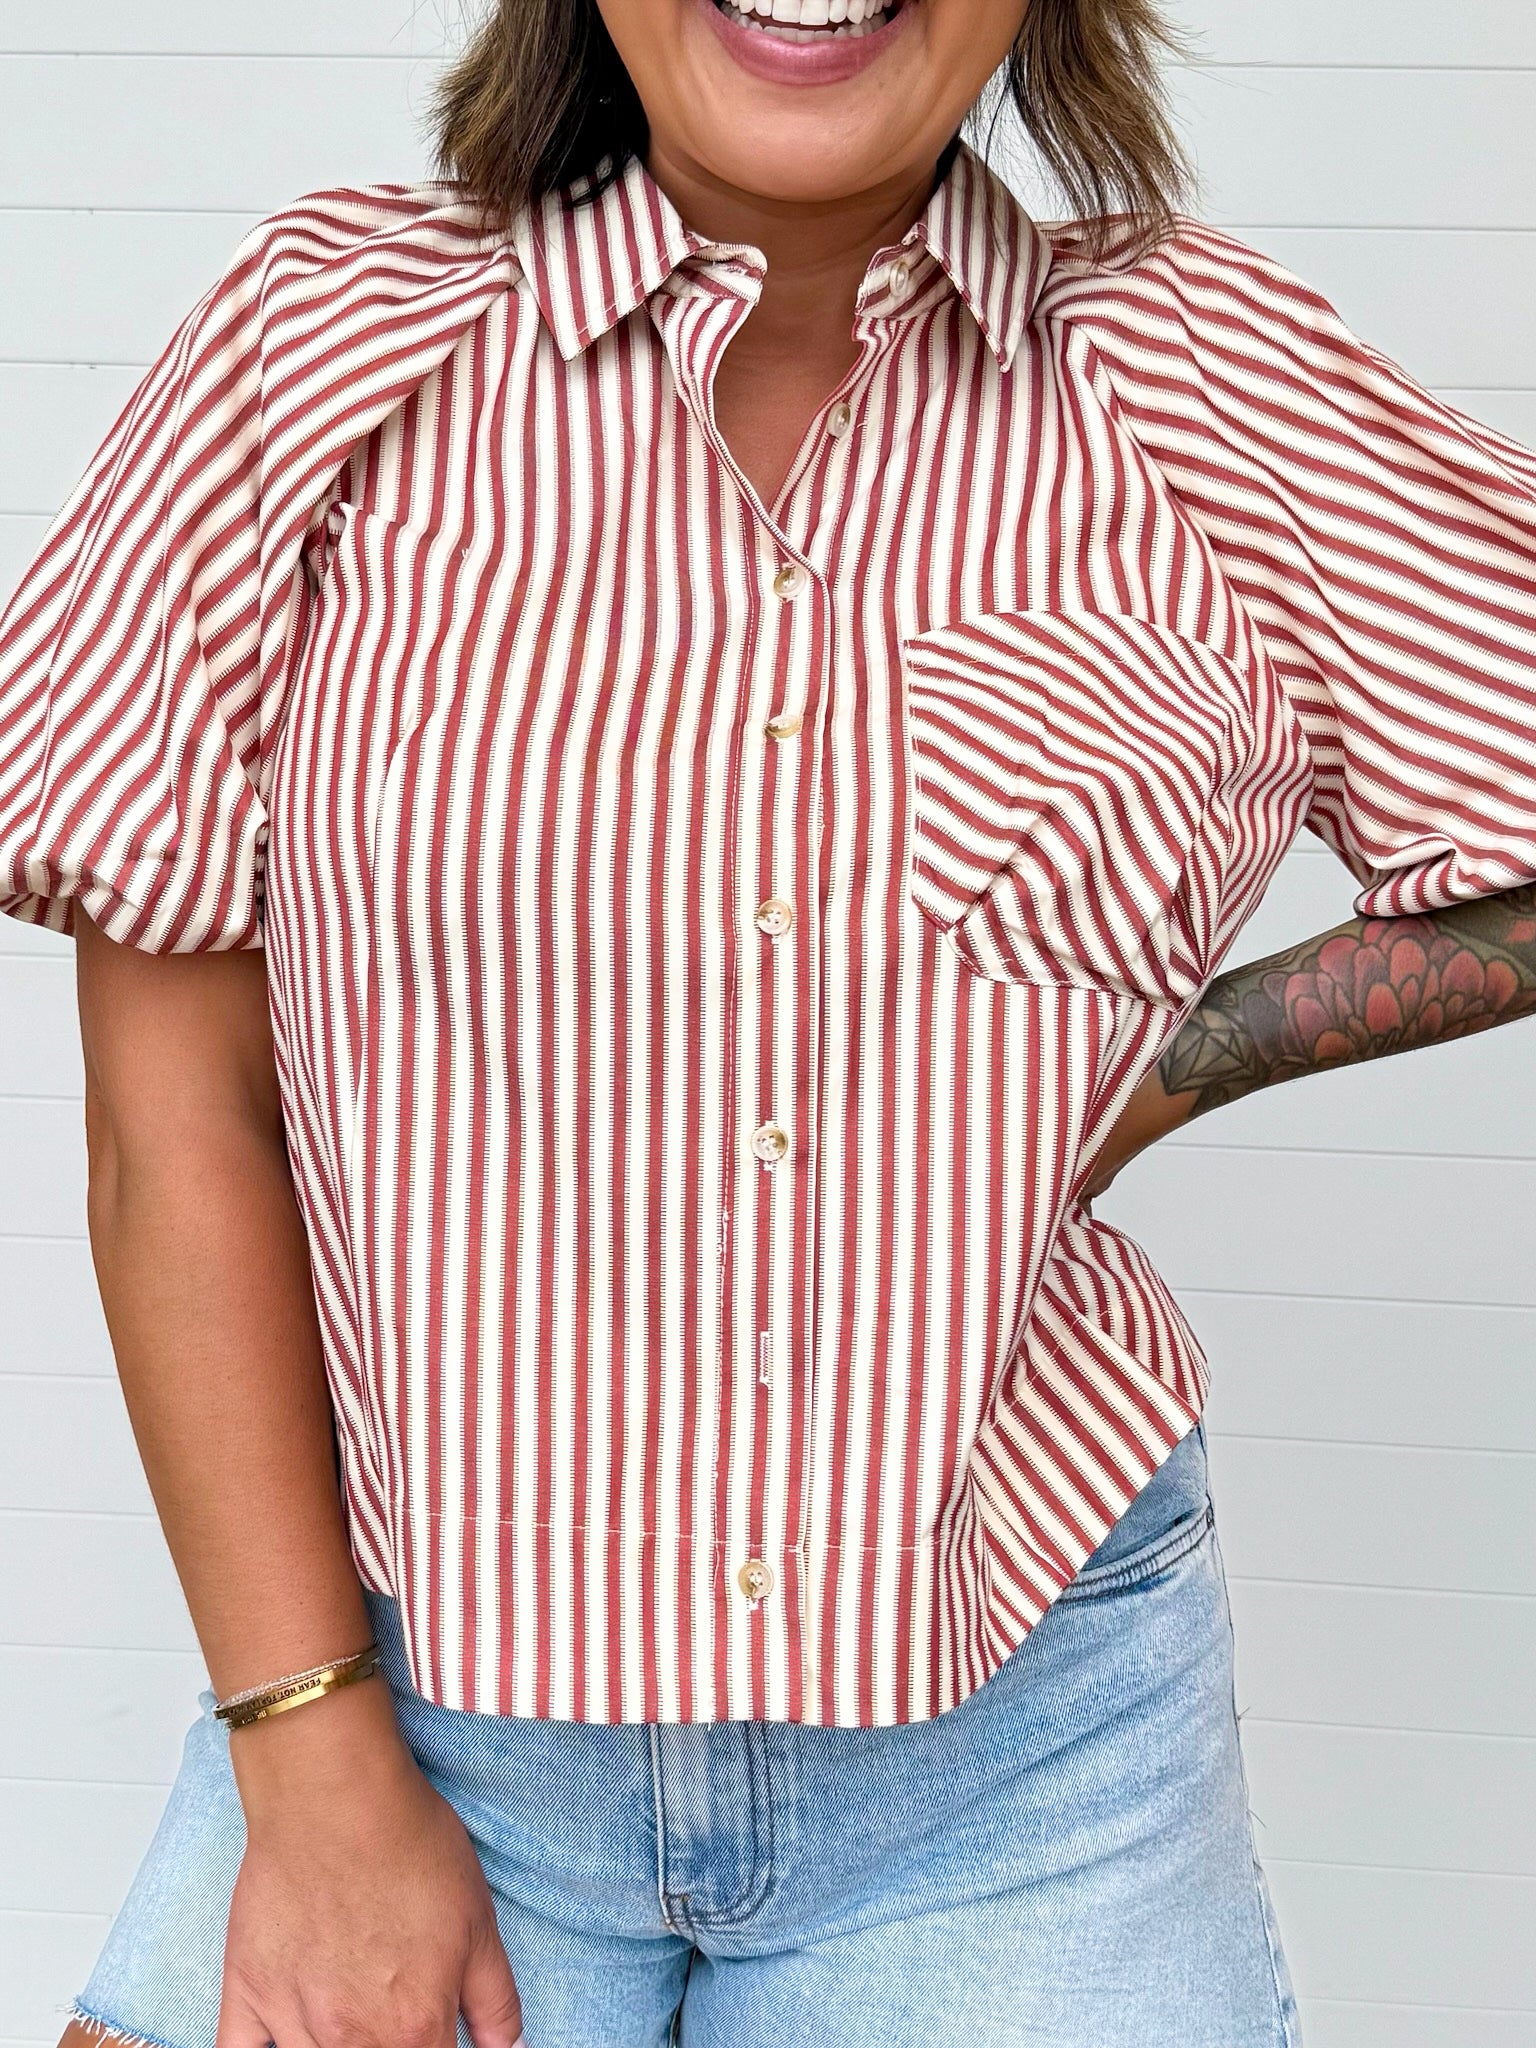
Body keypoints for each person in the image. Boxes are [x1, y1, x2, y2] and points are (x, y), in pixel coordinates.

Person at [3, 0, 1535, 2042]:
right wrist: (311, 1762)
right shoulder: (321, 347)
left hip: (1028, 1736)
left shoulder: (1202, 374)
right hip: (398, 1707)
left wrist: (1175, 1068)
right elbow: (173, 1126)